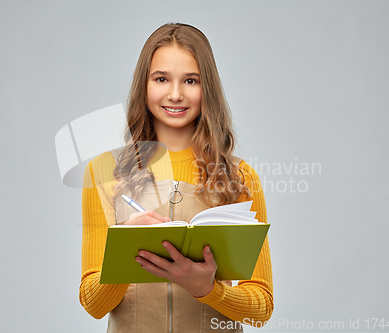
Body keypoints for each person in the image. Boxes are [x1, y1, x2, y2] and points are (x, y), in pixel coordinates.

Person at [79, 23, 273, 332]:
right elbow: (94, 305)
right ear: (144, 85)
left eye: (191, 80)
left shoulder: (239, 177)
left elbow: (260, 309)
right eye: (161, 79)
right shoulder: (104, 173)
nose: (175, 94)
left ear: (206, 87)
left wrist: (208, 289)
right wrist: (127, 249)